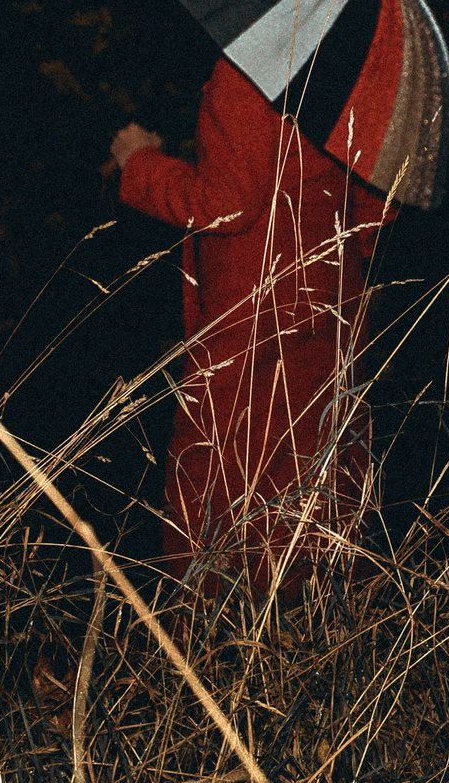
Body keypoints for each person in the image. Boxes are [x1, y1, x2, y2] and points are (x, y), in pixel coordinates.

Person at [109, 59, 393, 596]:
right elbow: (379, 204)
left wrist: (139, 162)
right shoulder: (355, 66)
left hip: (251, 309)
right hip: (331, 298)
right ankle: (317, 632)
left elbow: (227, 204)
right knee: (323, 465)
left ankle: (213, 644)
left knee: (219, 471)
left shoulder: (252, 70)